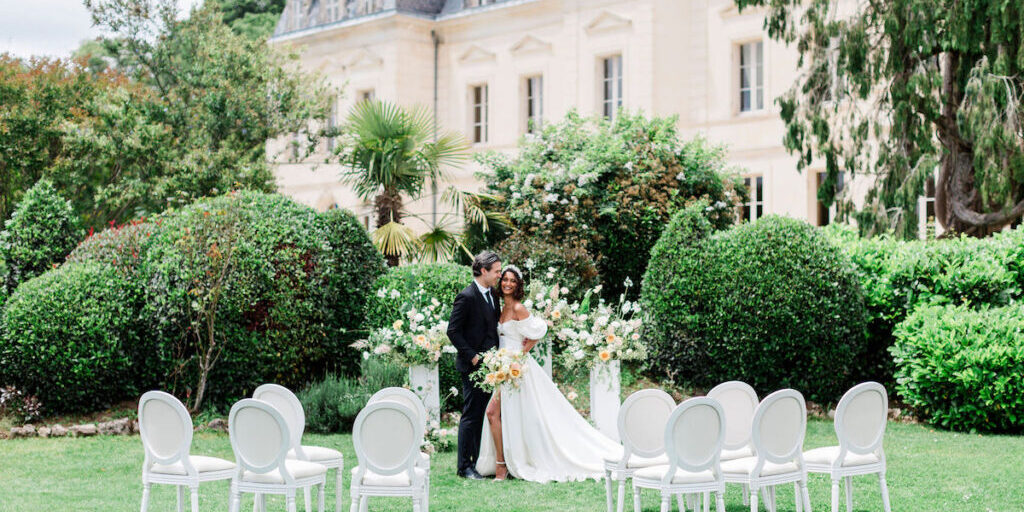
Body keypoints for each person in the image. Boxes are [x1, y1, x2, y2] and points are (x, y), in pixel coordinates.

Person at [476, 265, 620, 483]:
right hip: (503, 368)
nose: (507, 283)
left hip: (516, 369)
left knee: (501, 413)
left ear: (518, 285)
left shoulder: (518, 307)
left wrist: (522, 352)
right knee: (497, 413)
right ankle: (502, 463)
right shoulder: (501, 307)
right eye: (504, 279)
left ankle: (503, 466)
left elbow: (539, 330)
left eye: (512, 281)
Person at [446, 250, 502, 479]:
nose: (499, 275)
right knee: (471, 415)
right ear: (483, 271)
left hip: (492, 368)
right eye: (496, 271)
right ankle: (464, 467)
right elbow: (453, 331)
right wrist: (473, 356)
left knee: (484, 414)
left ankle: (478, 461)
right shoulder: (466, 297)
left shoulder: (493, 295)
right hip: (473, 367)